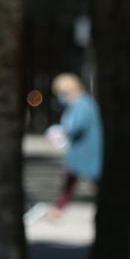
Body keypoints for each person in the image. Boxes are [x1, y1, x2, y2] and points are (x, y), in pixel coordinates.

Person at [43, 72, 103, 218]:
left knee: (85, 178)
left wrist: (60, 133)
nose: (60, 97)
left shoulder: (81, 104)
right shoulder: (81, 103)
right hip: (82, 149)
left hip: (85, 149)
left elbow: (77, 126)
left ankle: (58, 208)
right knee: (73, 179)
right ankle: (58, 208)